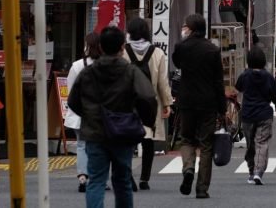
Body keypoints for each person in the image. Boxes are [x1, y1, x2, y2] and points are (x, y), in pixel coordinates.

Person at [67, 26, 157, 208]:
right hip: (123, 132)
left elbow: (73, 101)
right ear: (122, 47)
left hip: (94, 133)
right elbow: (147, 97)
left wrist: (88, 116)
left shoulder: (87, 72)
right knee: (122, 180)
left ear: (100, 47)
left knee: (96, 180)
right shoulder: (130, 72)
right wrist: (146, 120)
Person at [172, 14, 227, 199]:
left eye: (186, 26)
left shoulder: (181, 47)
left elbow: (176, 63)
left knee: (186, 139)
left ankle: (188, 168)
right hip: (208, 102)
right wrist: (222, 107)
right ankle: (202, 188)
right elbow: (219, 81)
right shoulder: (212, 50)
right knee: (206, 145)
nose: (184, 28)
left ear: (191, 28)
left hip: (186, 100)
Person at [122, 18, 172, 191]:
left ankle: (128, 175)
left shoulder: (123, 52)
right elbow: (162, 83)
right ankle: (144, 178)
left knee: (127, 140)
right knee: (148, 138)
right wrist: (167, 103)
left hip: (127, 102)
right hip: (150, 103)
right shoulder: (157, 53)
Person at [236, 46, 276, 185]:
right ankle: (258, 172)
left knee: (250, 145)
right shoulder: (268, 77)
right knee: (261, 143)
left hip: (247, 115)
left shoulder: (245, 75)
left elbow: (237, 89)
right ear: (263, 61)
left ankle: (251, 172)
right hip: (264, 115)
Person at [66, 32, 101, 193]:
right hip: (100, 114)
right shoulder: (105, 65)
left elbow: (70, 89)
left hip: (79, 114)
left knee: (81, 145)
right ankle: (97, 177)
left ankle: (82, 176)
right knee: (99, 147)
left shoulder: (77, 65)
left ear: (86, 46)